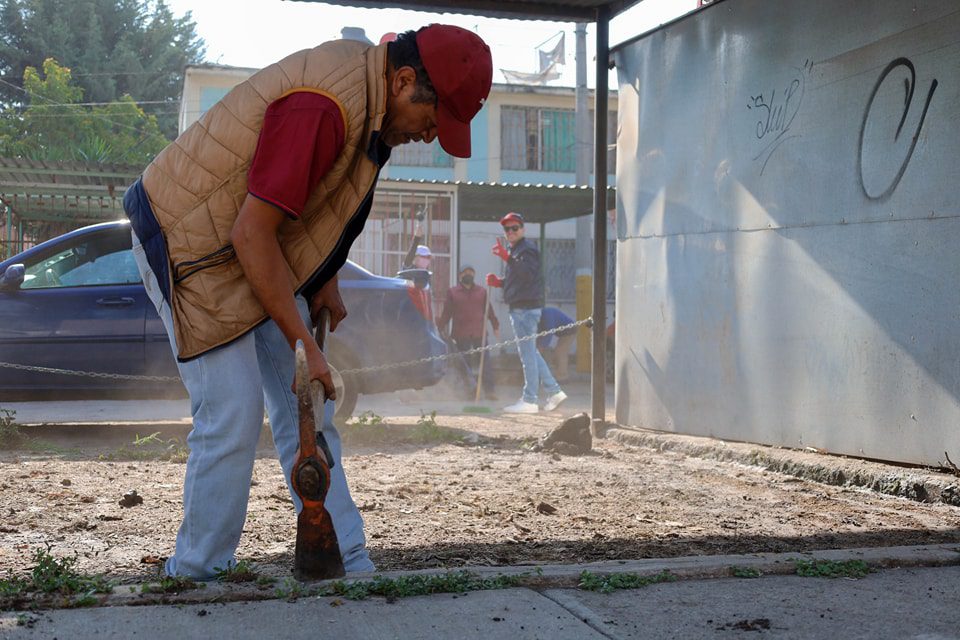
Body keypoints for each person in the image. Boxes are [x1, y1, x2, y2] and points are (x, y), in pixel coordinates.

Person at [122, 25, 492, 579]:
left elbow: (331, 198)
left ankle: (344, 558)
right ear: (405, 80)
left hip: (250, 242)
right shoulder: (323, 106)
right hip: (190, 242)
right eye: (435, 119)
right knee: (232, 411)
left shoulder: (377, 112)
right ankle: (196, 575)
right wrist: (304, 346)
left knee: (309, 405)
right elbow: (252, 234)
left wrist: (328, 274)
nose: (433, 136)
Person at [486, 212, 567, 414]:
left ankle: (530, 400)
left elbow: (527, 273)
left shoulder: (526, 249)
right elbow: (520, 279)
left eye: (515, 228)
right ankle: (554, 392)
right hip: (523, 307)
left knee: (527, 354)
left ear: (523, 229)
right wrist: (500, 283)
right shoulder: (518, 251)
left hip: (525, 309)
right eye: (507, 229)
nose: (511, 231)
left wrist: (508, 258)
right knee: (531, 352)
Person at [437, 265, 500, 399]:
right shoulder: (453, 292)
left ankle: (490, 391)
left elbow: (489, 310)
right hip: (461, 333)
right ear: (460, 275)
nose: (469, 275)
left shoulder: (482, 291)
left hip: (479, 332)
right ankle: (469, 391)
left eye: (471, 272)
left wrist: (495, 326)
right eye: (466, 272)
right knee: (464, 364)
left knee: (485, 363)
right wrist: (440, 326)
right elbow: (447, 312)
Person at [537, 306, 577, 382]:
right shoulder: (539, 316)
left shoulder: (547, 313)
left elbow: (549, 332)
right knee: (558, 352)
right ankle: (560, 374)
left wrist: (541, 347)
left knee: (561, 352)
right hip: (563, 332)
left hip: (570, 330)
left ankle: (563, 377)